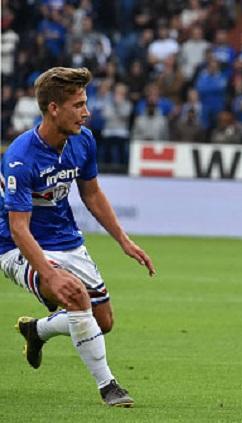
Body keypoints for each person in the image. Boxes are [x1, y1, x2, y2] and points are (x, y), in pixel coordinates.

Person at [0, 67, 156, 407]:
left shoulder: (83, 139)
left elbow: (93, 194)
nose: (86, 112)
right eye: (78, 104)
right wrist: (50, 274)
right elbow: (18, 228)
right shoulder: (19, 157)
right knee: (74, 294)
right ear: (54, 108)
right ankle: (109, 387)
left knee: (103, 322)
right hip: (18, 247)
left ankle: (37, 330)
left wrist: (124, 241)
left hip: (67, 240)